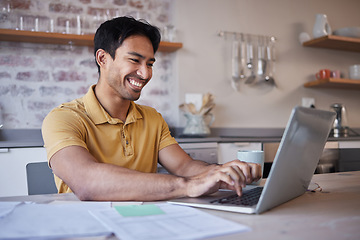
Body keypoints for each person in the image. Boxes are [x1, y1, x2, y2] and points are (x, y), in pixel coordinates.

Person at [42, 16, 261, 201]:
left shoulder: (152, 118)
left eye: (149, 64)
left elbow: (185, 167)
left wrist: (223, 172)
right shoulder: (63, 118)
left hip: (145, 221)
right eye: (135, 60)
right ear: (103, 58)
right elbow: (86, 181)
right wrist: (186, 186)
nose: (145, 74)